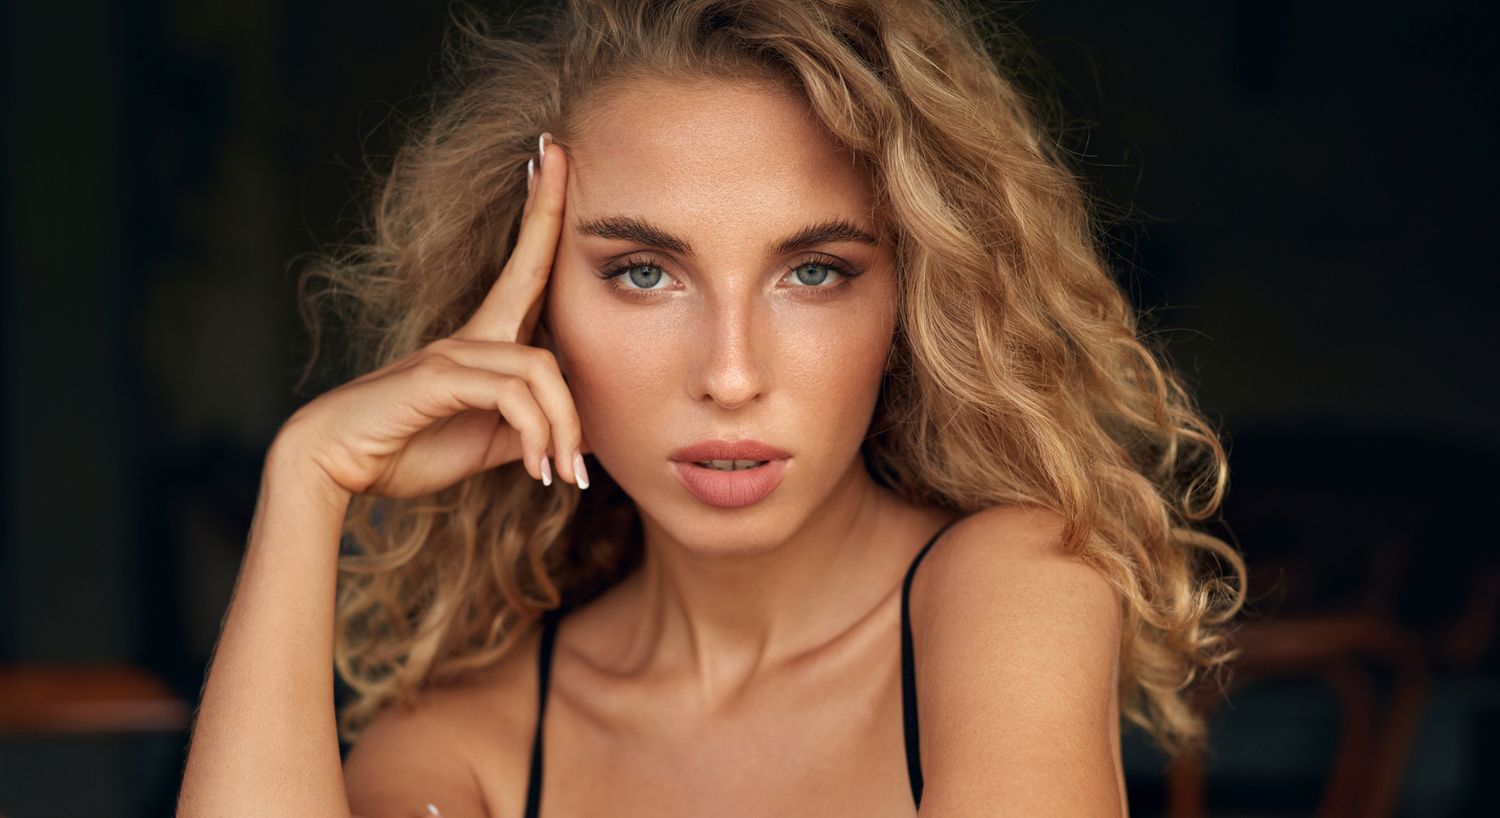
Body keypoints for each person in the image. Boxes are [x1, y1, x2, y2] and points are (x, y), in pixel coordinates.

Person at [177, 0, 1247, 815]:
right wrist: (306, 478)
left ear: (911, 302)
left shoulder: (1011, 585)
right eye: (644, 272)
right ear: (534, 304)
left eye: (815, 271)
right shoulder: (471, 745)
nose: (731, 373)